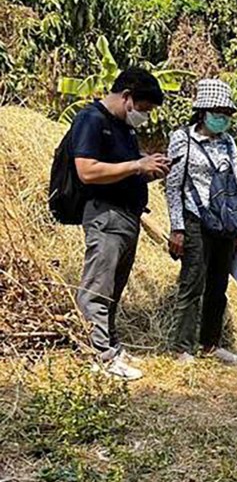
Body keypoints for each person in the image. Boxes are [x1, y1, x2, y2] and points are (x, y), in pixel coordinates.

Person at [73, 67, 169, 381]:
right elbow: (87, 170)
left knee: (113, 289)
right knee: (97, 289)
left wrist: (147, 169)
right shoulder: (92, 120)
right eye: (143, 109)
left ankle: (110, 345)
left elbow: (123, 167)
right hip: (106, 216)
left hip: (127, 218)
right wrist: (136, 165)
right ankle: (98, 355)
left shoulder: (123, 128)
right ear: (127, 97)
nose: (144, 116)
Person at [165, 79, 237, 365]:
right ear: (202, 111)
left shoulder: (228, 142)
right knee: (192, 284)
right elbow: (173, 186)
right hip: (195, 221)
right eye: (217, 110)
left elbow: (235, 183)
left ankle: (211, 344)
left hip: (224, 223)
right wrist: (177, 227)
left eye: (226, 112)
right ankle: (182, 347)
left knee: (218, 285)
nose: (222, 116)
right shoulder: (182, 139)